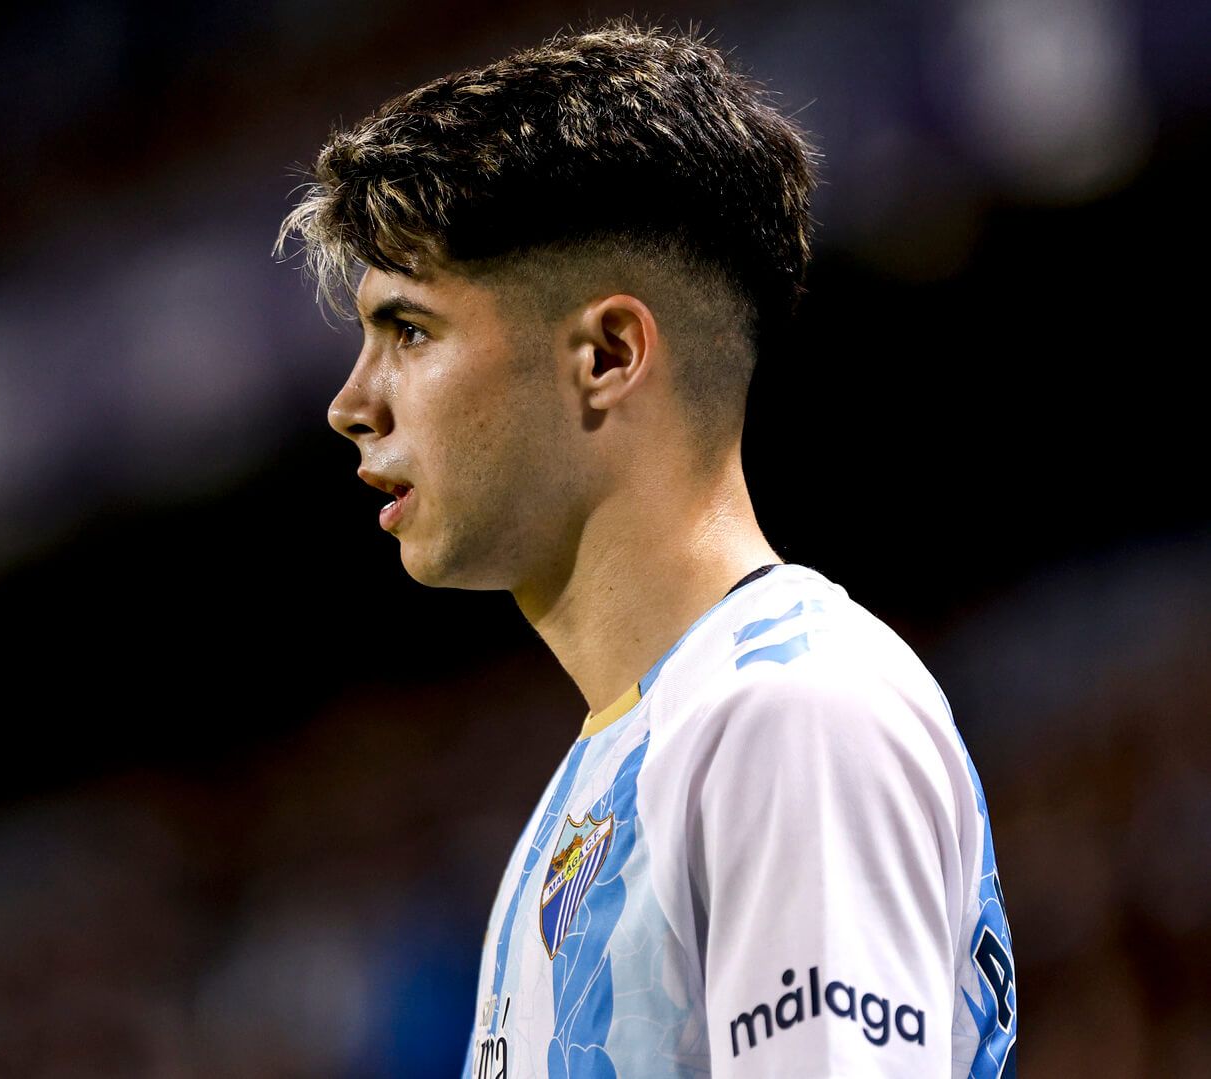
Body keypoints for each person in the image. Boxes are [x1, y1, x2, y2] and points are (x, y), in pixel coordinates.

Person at [274, 16, 1016, 1079]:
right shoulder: (606, 774)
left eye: (409, 330)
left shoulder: (784, 713)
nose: (352, 402)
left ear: (608, 352)